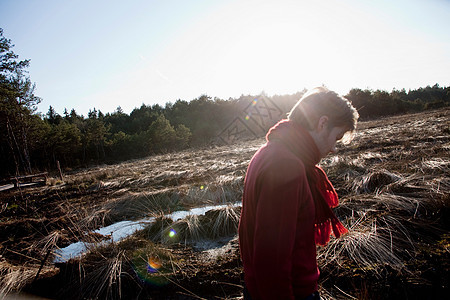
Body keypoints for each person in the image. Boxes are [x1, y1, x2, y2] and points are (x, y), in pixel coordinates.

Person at [238, 87, 359, 300]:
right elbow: (271, 260)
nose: (334, 149)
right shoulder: (286, 165)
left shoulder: (270, 152)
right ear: (322, 123)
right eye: (337, 137)